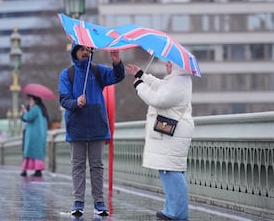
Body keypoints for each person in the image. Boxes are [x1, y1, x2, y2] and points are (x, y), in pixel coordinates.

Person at [59, 44, 125, 217]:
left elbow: (117, 76)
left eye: (89, 50)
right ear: (75, 52)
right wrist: (76, 102)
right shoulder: (67, 74)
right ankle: (78, 203)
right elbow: (64, 99)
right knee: (78, 165)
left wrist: (117, 62)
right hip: (76, 126)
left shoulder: (98, 71)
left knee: (97, 166)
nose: (86, 53)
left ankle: (99, 203)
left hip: (97, 126)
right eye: (82, 50)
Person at [125, 61, 194, 220]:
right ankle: (172, 210)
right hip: (173, 132)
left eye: (170, 64)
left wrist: (140, 86)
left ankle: (177, 213)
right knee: (170, 170)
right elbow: (160, 85)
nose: (167, 66)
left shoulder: (179, 82)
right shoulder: (177, 81)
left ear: (177, 66)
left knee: (171, 171)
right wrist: (141, 75)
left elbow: (158, 99)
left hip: (173, 134)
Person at [20, 94, 49, 177]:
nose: (30, 102)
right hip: (40, 134)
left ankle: (28, 170)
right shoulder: (42, 109)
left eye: (31, 100)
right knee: (38, 152)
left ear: (34, 100)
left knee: (29, 151)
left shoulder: (35, 108)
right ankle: (38, 169)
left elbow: (28, 117)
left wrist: (25, 112)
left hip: (34, 134)